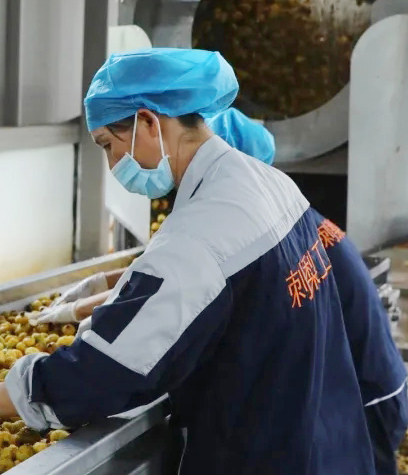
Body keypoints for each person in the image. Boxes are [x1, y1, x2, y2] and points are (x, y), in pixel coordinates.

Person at [0, 48, 404, 475]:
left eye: (109, 145)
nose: (113, 165)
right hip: (325, 464)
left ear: (149, 122)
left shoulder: (199, 233)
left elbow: (101, 375)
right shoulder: (268, 183)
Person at [24, 109, 271, 330]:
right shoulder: (215, 204)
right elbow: (168, 267)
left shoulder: (226, 221)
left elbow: (166, 286)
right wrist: (102, 283)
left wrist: (80, 309)